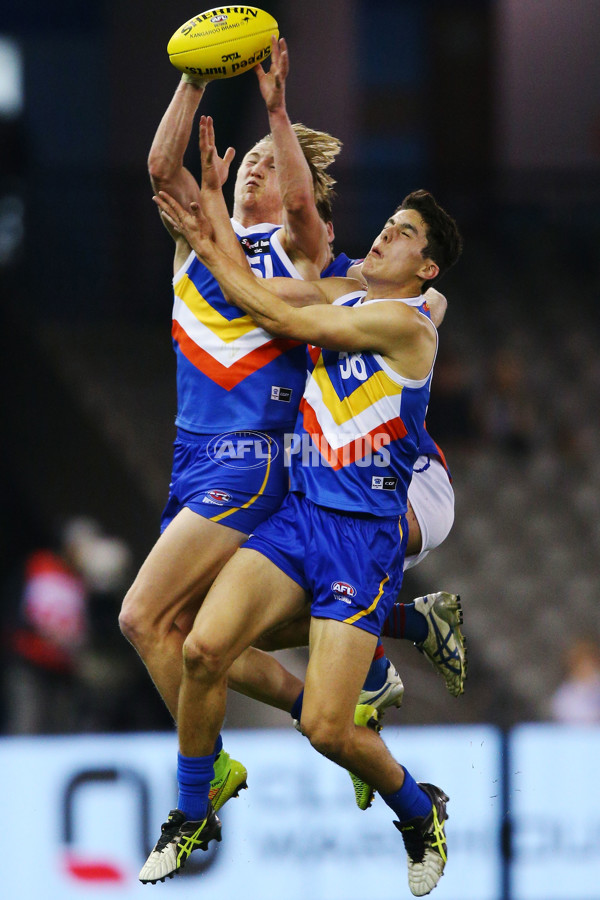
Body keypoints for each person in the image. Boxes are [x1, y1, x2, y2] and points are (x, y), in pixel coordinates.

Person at [120, 38, 464, 801]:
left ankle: (213, 771)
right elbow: (157, 172)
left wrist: (276, 111)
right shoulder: (210, 243)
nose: (255, 171)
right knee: (200, 635)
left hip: (345, 472)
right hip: (232, 462)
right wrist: (192, 81)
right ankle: (390, 640)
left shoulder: (311, 262)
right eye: (250, 164)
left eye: (272, 166)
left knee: (152, 617)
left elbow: (398, 294)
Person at [141, 185, 463, 896]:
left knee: (325, 728)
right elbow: (259, 284)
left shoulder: (411, 326)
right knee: (199, 646)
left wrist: (206, 245)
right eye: (386, 223)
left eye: (403, 233)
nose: (384, 236)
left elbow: (270, 308)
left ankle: (419, 810)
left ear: (427, 268)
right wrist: (209, 225)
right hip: (298, 520)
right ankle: (194, 810)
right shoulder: (345, 298)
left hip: (360, 538)